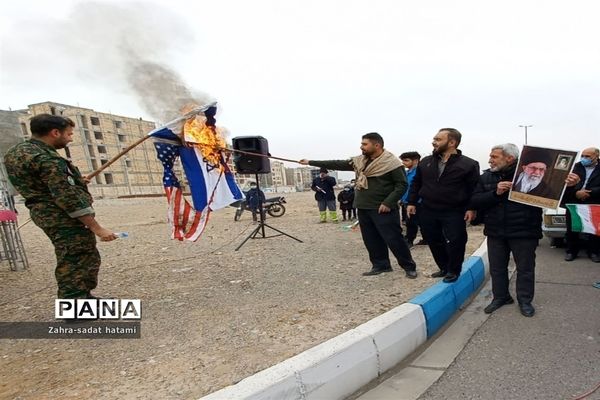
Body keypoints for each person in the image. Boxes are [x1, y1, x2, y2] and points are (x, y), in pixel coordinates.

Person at [4, 114, 118, 299]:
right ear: (55, 132)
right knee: (78, 257)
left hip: (42, 212)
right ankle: (75, 305)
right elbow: (67, 197)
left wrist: (75, 181)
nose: (71, 138)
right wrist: (97, 228)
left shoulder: (17, 152)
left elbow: (39, 182)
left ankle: (82, 299)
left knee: (70, 255)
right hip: (61, 215)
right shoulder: (47, 159)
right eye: (69, 134)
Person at [471, 143, 582, 317]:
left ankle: (525, 301)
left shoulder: (546, 185)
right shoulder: (486, 178)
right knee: (497, 268)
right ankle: (500, 297)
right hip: (496, 232)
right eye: (533, 168)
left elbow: (561, 202)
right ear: (524, 166)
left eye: (494, 157)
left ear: (510, 158)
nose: (490, 160)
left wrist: (570, 187)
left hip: (525, 232)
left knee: (525, 268)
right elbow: (474, 201)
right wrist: (495, 192)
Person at [299, 132, 417, 278]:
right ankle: (381, 265)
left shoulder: (392, 163)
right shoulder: (360, 161)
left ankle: (409, 266)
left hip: (383, 207)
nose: (361, 147)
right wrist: (311, 162)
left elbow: (401, 185)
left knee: (394, 238)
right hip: (363, 206)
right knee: (371, 239)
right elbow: (337, 163)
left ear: (377, 145)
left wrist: (388, 202)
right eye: (362, 144)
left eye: (364, 144)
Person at [407, 128, 479, 283]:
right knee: (433, 239)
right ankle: (444, 267)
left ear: (452, 142)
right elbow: (416, 183)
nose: (434, 142)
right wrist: (411, 202)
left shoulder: (469, 164)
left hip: (454, 210)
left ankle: (454, 270)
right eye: (434, 138)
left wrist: (471, 208)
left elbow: (473, 189)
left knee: (456, 240)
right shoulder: (426, 162)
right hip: (428, 208)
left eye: (438, 139)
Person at [563, 147, 600, 262]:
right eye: (583, 156)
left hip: (594, 201)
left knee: (594, 229)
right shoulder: (575, 167)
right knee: (572, 228)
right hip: (574, 201)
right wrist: (576, 192)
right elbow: (565, 184)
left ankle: (594, 252)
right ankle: (571, 252)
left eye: (588, 156)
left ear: (596, 156)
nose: (584, 158)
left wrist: (591, 192)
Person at [399, 151, 425, 248]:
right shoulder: (406, 173)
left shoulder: (420, 172)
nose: (403, 163)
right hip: (407, 201)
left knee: (413, 222)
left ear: (415, 161)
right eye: (402, 160)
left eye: (406, 160)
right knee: (411, 221)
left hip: (418, 202)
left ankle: (409, 240)